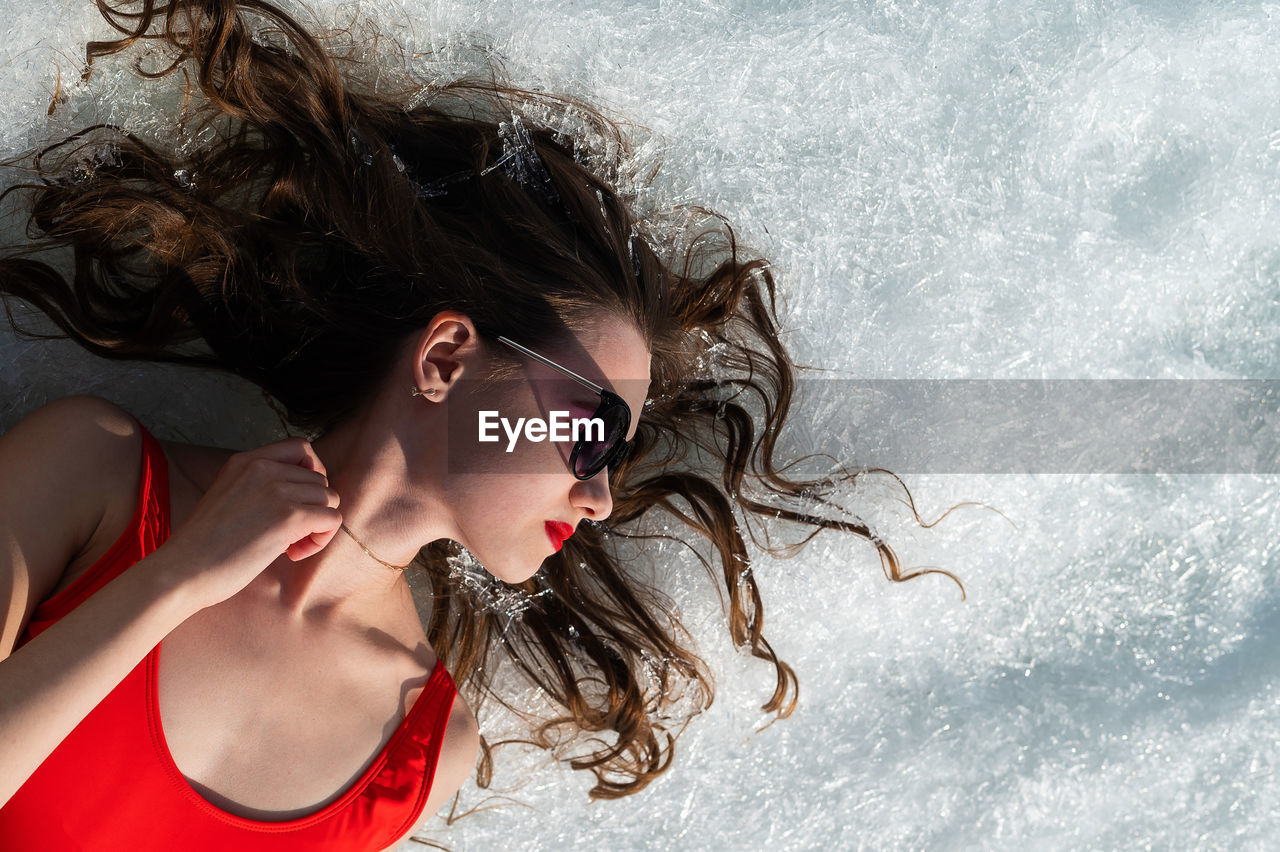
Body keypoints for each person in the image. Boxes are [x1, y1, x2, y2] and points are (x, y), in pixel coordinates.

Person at [0, 0, 964, 848]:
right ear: (446, 359)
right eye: (594, 434)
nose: (598, 496)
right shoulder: (96, 473)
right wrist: (173, 580)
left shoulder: (419, 752)